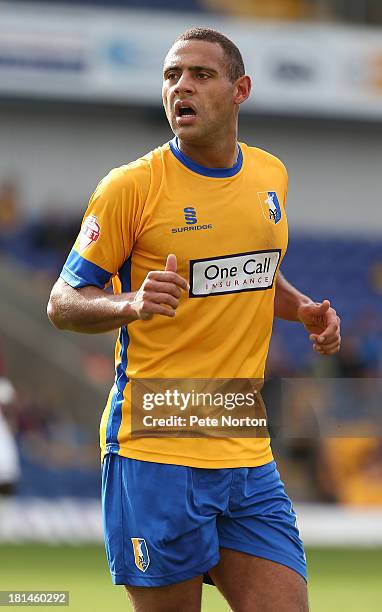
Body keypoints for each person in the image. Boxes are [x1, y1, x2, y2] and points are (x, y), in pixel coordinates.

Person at [47, 28, 341, 612]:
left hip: (244, 447)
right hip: (156, 444)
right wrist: (129, 303)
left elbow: (257, 273)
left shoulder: (269, 176)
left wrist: (301, 309)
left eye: (201, 75)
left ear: (240, 90)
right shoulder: (131, 187)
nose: (181, 86)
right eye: (171, 76)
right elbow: (63, 302)